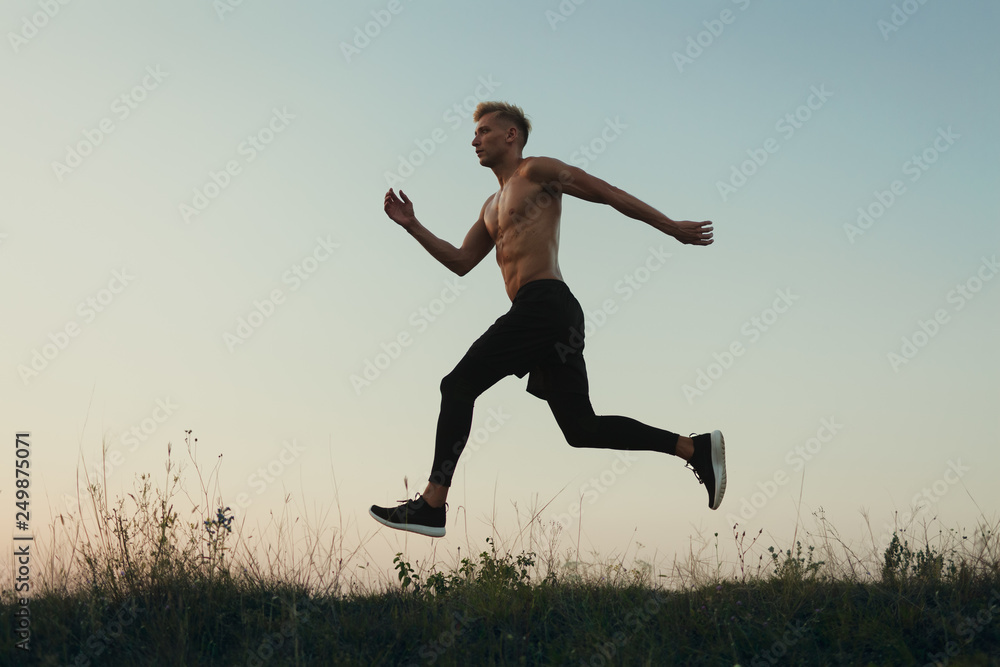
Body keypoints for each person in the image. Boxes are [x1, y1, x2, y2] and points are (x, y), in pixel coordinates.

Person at [369, 102, 725, 538]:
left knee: (457, 385)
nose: (474, 139)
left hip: (546, 304)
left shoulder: (536, 172)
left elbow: (607, 192)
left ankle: (431, 504)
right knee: (581, 428)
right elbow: (461, 261)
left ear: (511, 136)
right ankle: (695, 449)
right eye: (474, 133)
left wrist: (670, 226)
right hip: (545, 315)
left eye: (483, 131)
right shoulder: (490, 206)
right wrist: (412, 225)